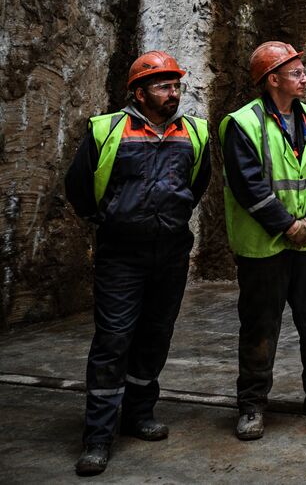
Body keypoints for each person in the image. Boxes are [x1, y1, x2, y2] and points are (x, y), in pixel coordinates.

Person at [64, 51, 211, 476]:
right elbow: (79, 187)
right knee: (113, 339)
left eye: (176, 85)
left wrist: (170, 218)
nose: (173, 93)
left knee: (155, 335)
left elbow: (196, 184)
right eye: (164, 86)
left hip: (171, 251)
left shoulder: (194, 133)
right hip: (121, 255)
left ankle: (139, 414)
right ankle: (97, 437)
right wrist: (109, 220)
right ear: (140, 92)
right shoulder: (107, 129)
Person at [219, 41, 306, 441]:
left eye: (303, 70)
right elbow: (248, 185)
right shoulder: (242, 124)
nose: (305, 77)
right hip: (264, 246)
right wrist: (286, 225)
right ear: (272, 79)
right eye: (296, 72)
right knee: (260, 324)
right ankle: (252, 403)